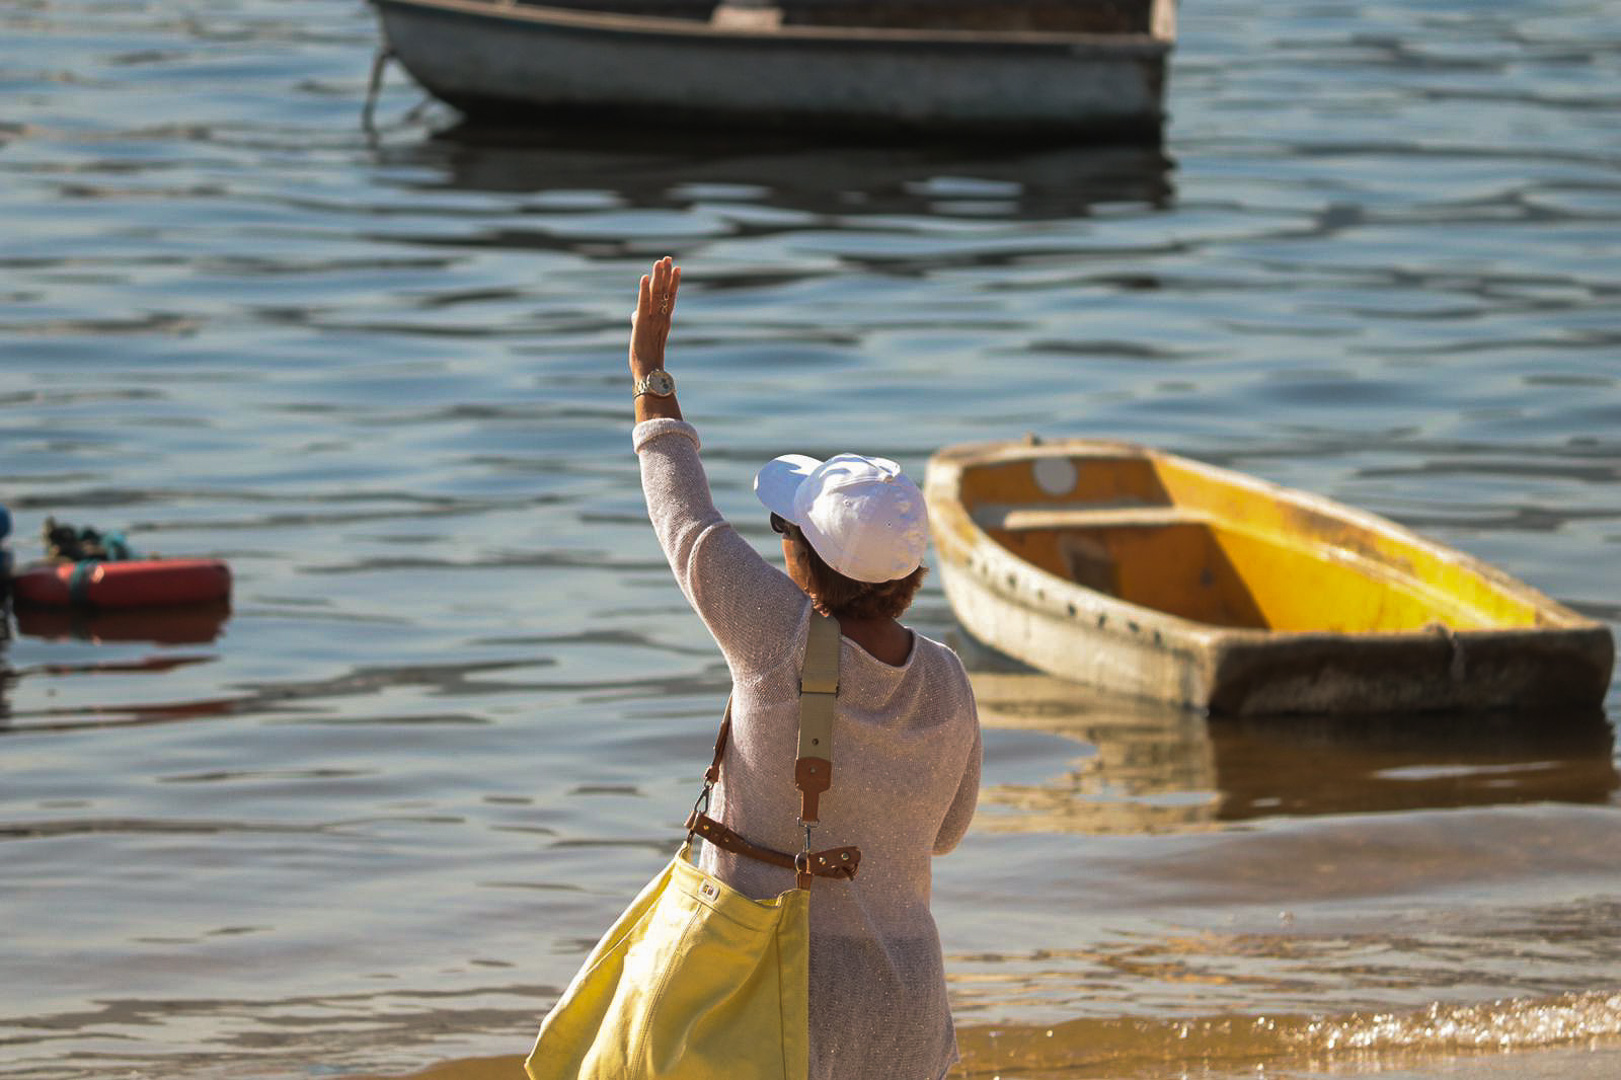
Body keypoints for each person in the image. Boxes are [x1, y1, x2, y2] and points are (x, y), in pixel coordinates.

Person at [626, 256, 982, 1080]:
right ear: (908, 572)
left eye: (782, 528)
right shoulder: (946, 677)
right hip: (907, 1001)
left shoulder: (773, 637)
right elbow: (948, 833)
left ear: (801, 557)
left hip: (781, 987)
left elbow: (682, 510)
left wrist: (649, 372)